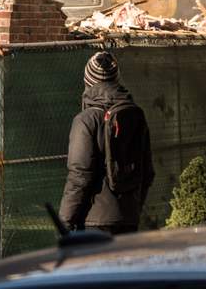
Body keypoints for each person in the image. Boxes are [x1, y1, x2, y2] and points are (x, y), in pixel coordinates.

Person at [58, 51, 154, 234]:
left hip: (93, 221)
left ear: (87, 82)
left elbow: (79, 176)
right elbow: (147, 173)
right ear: (117, 80)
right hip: (128, 220)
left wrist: (65, 223)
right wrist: (133, 208)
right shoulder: (135, 116)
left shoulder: (86, 120)